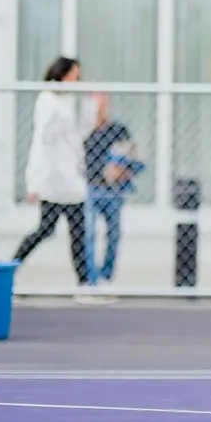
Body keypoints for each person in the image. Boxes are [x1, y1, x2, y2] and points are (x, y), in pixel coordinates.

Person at [14, 57, 96, 298]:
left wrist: (91, 104)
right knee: (45, 230)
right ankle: (11, 269)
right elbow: (43, 140)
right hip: (53, 181)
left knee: (79, 233)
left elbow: (80, 132)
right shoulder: (48, 100)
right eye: (73, 75)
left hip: (72, 180)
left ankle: (84, 284)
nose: (76, 80)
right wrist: (34, 182)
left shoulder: (69, 101)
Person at [82, 91, 141, 286]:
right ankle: (91, 277)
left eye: (103, 105)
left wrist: (123, 171)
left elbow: (133, 155)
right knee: (88, 232)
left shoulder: (118, 130)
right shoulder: (83, 132)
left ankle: (106, 275)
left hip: (113, 190)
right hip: (90, 188)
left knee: (114, 233)